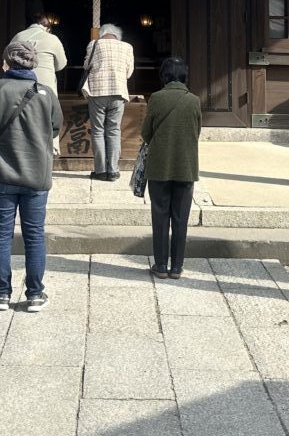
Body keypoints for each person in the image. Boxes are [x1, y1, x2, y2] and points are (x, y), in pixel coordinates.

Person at [0, 38, 63, 311]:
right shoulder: (46, 93)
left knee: (0, 234)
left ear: (7, 62)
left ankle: (1, 294)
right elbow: (55, 128)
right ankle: (35, 294)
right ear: (33, 63)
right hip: (36, 173)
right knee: (34, 235)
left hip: (1, 172)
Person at [140, 56, 202, 279]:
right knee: (180, 218)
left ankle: (160, 265)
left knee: (160, 216)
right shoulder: (194, 100)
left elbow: (146, 133)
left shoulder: (156, 98)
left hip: (159, 165)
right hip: (186, 166)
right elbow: (197, 131)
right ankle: (177, 266)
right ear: (185, 75)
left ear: (164, 76)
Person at [82, 22, 135, 181]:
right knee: (114, 130)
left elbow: (86, 65)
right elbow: (129, 72)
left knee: (98, 130)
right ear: (117, 36)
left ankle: (100, 171)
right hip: (118, 92)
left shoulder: (94, 44)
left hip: (97, 92)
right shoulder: (127, 47)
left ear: (102, 34)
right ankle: (113, 171)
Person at [11, 11, 67, 156]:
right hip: (44, 84)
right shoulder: (52, 39)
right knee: (46, 117)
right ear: (47, 27)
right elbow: (61, 64)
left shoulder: (18, 36)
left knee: (21, 115)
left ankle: (21, 149)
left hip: (19, 82)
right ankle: (48, 149)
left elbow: (8, 58)